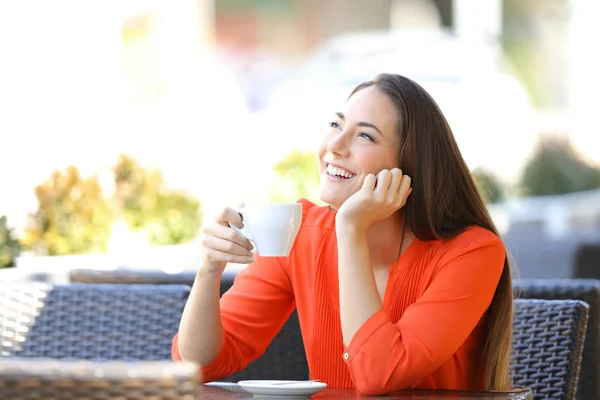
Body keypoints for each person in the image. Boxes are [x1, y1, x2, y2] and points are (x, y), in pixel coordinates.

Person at [172, 73, 513, 395]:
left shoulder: (472, 252)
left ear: (409, 164)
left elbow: (380, 375)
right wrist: (210, 270)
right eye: (336, 125)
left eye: (365, 135)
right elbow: (197, 365)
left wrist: (350, 228)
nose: (335, 145)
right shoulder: (303, 233)